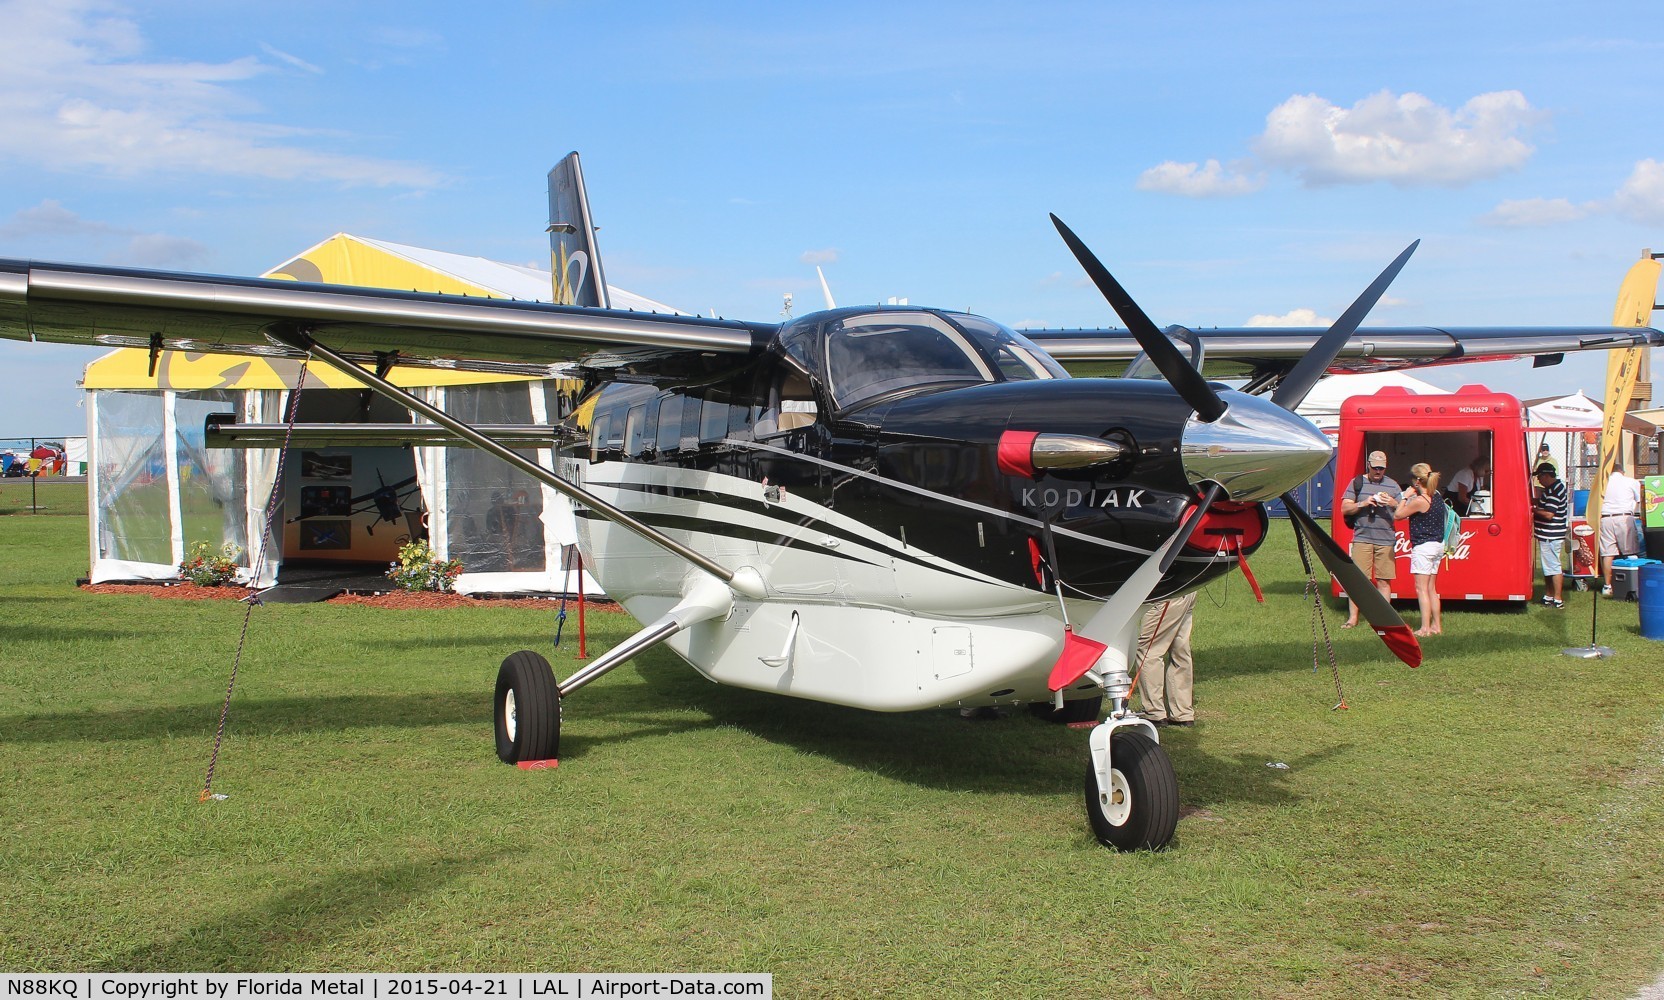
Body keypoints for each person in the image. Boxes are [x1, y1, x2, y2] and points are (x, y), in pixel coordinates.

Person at [1338, 450, 1403, 629]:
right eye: (1375, 468)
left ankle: (1384, 620)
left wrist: (1392, 503)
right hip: (1362, 538)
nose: (1378, 472)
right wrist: (1365, 503)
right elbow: (1344, 508)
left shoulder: (1393, 486)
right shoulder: (1357, 483)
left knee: (1384, 580)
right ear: (1368, 465)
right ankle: (1353, 618)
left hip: (1386, 539)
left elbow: (1403, 513)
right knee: (1359, 580)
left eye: (1381, 468)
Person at [1394, 462, 1447, 636]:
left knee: (1421, 588)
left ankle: (1425, 628)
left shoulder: (1420, 500)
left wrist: (1404, 496)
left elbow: (1398, 515)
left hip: (1423, 546)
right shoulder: (1437, 495)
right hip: (1438, 545)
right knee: (1432, 588)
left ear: (1417, 481)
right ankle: (1436, 626)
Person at [1135, 592, 1197, 728]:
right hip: (1188, 590)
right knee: (1180, 651)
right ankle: (1183, 714)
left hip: (1168, 594)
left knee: (1148, 650)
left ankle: (1154, 713)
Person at [1598, 463, 1643, 596]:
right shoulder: (1632, 482)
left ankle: (1607, 586)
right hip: (1624, 518)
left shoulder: (1603, 483)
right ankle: (1632, 583)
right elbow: (1638, 500)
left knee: (1607, 553)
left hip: (1605, 518)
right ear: (1622, 471)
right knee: (1630, 551)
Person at [1532, 462, 1568, 608]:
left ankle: (1558, 599)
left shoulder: (1554, 491)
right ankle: (1549, 595)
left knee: (1554, 567)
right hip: (1547, 534)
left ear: (1546, 476)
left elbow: (1548, 514)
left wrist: (1532, 510)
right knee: (1548, 567)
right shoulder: (1552, 489)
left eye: (1539, 477)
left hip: (1551, 535)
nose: (1539, 480)